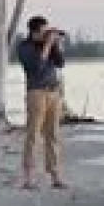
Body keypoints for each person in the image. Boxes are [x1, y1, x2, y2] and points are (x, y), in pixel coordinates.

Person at [17, 15, 67, 189]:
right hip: (36, 93)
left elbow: (61, 63)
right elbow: (36, 67)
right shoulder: (25, 47)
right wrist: (47, 45)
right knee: (33, 135)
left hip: (53, 92)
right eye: (44, 32)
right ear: (34, 32)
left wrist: (56, 45)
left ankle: (54, 175)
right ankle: (28, 176)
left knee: (53, 134)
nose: (47, 35)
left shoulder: (49, 46)